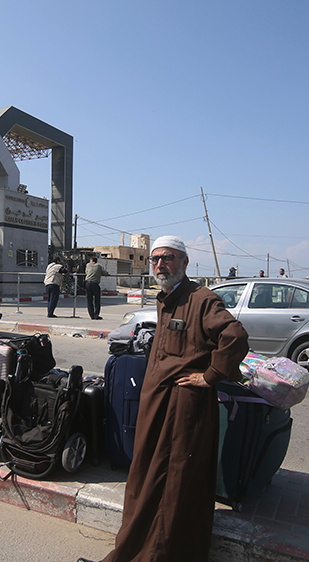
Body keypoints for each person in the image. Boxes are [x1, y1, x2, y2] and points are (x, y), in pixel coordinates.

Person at [91, 235, 250, 562]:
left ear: (185, 262)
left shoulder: (201, 299)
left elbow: (234, 338)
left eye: (169, 258)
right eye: (156, 259)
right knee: (146, 478)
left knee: (173, 483)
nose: (161, 265)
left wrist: (209, 376)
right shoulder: (166, 299)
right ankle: (136, 547)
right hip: (156, 409)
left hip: (183, 413)